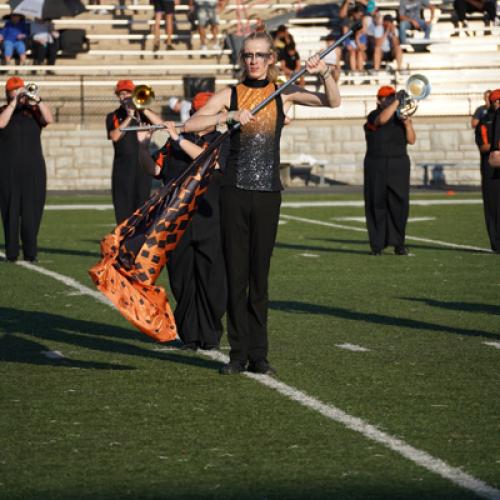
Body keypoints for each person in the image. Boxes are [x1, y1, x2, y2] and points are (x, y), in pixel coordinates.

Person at [184, 30, 341, 375]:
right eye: (247, 55)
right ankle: (237, 354)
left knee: (260, 277)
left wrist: (325, 72)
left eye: (259, 55)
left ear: (271, 59)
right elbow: (190, 124)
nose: (253, 61)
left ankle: (259, 354)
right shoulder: (231, 93)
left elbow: (332, 102)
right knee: (236, 276)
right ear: (242, 60)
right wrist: (226, 117)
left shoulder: (283, 93)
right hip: (234, 192)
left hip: (268, 194)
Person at [138, 91, 229, 349]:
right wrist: (142, 146)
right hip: (178, 222)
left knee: (213, 280)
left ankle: (210, 333)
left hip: (210, 219)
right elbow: (154, 170)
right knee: (182, 279)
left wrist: (178, 138)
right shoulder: (174, 141)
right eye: (195, 114)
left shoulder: (223, 139)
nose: (198, 118)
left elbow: (211, 161)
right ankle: (190, 335)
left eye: (204, 114)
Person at [0, 76, 53, 262]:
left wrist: (37, 100)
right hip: (7, 169)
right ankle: (12, 252)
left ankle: (31, 252)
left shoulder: (34, 111)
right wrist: (14, 102)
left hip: (34, 169)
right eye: (16, 90)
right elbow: (1, 123)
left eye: (22, 89)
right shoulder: (3, 110)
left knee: (33, 212)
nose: (21, 92)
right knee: (10, 211)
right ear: (8, 93)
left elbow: (49, 119)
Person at [363, 85, 416, 256]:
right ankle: (377, 245)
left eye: (392, 97)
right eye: (386, 97)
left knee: (399, 204)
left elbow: (412, 140)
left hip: (398, 163)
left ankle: (399, 243)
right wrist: (396, 103)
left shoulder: (401, 116)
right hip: (375, 163)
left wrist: (408, 125)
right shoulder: (373, 115)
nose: (389, 99)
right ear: (379, 100)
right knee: (376, 203)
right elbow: (381, 121)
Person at [106, 80, 162, 224]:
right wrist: (129, 117)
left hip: (142, 169)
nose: (125, 96)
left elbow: (161, 125)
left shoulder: (143, 113)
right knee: (123, 213)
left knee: (142, 211)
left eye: (128, 93)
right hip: (122, 171)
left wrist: (142, 109)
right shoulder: (114, 115)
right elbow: (115, 136)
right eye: (121, 93)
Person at [475, 89, 500, 253]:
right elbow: (483, 146)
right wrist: (495, 148)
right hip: (490, 166)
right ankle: (496, 242)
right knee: (493, 205)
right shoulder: (485, 121)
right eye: (496, 101)